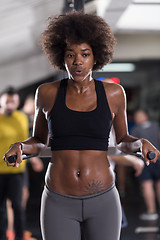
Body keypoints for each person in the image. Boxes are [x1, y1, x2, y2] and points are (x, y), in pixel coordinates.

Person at [3, 11, 160, 240]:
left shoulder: (114, 93)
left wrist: (140, 143)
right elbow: (38, 141)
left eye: (85, 54)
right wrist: (21, 147)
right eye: (70, 55)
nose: (77, 61)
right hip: (58, 199)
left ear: (95, 57)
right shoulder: (46, 93)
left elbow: (123, 140)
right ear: (61, 58)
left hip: (103, 198)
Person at [0, 87, 29, 240]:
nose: (10, 105)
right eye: (7, 101)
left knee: (18, 207)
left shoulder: (22, 118)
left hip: (17, 171)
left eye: (13, 101)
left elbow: (25, 143)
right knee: (1, 210)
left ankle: (19, 237)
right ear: (1, 102)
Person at [131, 109, 160, 221]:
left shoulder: (135, 129)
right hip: (158, 158)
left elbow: (132, 147)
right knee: (159, 184)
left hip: (144, 161)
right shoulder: (156, 126)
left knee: (147, 185)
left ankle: (152, 211)